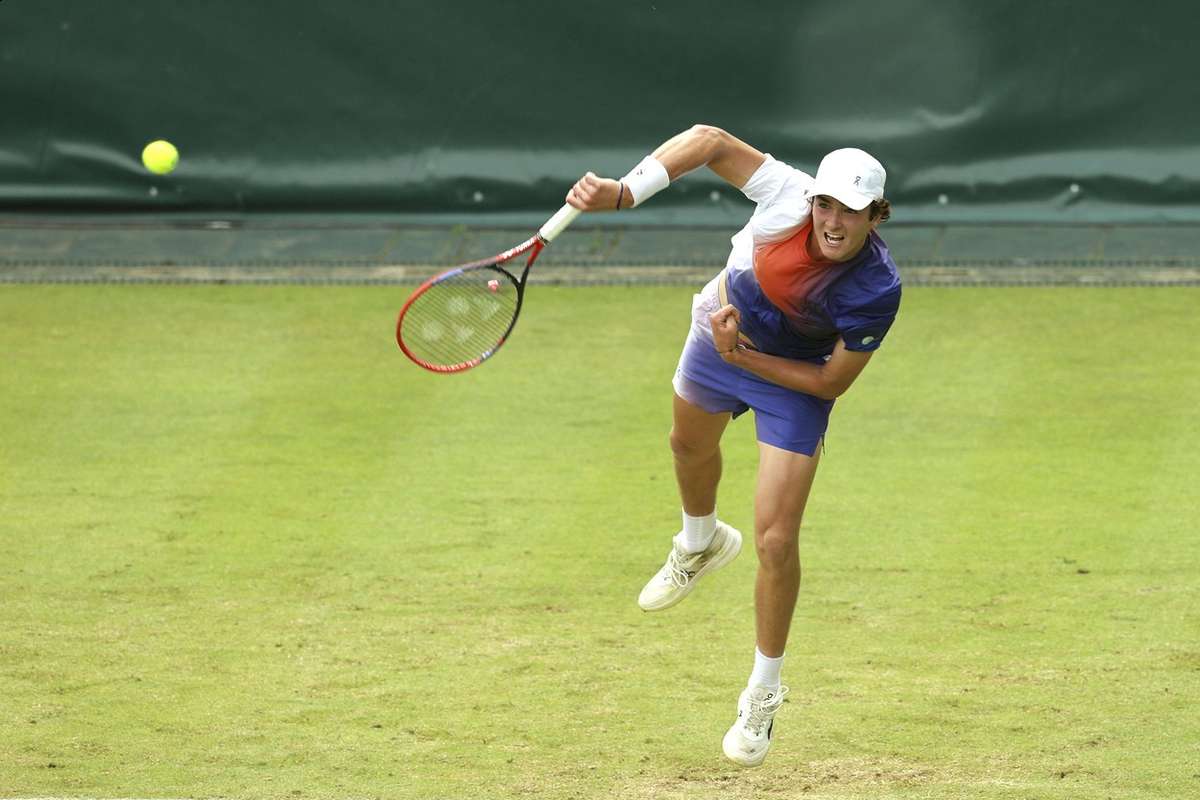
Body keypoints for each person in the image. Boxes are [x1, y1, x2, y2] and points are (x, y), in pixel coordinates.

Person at [564, 124, 901, 768]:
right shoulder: (785, 196)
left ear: (875, 216)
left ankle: (763, 692)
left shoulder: (876, 289)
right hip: (723, 329)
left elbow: (831, 380)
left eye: (851, 212)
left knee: (776, 540)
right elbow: (709, 140)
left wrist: (742, 355)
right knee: (686, 448)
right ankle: (699, 542)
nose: (832, 220)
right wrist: (625, 193)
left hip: (793, 381)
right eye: (825, 205)